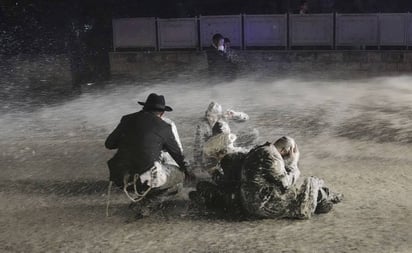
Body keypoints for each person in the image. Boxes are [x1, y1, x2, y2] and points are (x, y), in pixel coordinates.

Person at [105, 93, 194, 217]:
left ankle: (142, 199)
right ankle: (146, 204)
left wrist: (131, 140)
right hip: (144, 180)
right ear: (162, 113)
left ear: (144, 108)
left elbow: (109, 144)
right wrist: (189, 172)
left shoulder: (126, 119)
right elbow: (177, 155)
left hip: (120, 178)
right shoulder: (164, 127)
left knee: (147, 170)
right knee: (179, 177)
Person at [240, 136, 343, 219]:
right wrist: (293, 163)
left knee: (300, 192)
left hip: (249, 200)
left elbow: (274, 175)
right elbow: (285, 184)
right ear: (285, 151)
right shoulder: (273, 156)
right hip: (262, 204)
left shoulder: (260, 149)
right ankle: (326, 196)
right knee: (303, 196)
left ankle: (326, 195)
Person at [193, 101, 255, 173]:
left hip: (229, 141)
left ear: (218, 115)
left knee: (253, 133)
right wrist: (198, 163)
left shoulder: (223, 118)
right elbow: (198, 144)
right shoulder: (202, 125)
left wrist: (235, 114)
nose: (210, 118)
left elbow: (246, 118)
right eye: (208, 115)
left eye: (214, 116)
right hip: (214, 149)